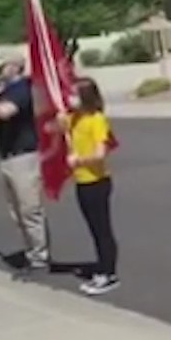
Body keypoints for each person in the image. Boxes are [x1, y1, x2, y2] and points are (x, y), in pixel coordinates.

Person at [0, 56, 51, 273]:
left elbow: (7, 112)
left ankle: (40, 254)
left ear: (14, 67)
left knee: (29, 207)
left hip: (24, 156)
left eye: (2, 65)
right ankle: (31, 251)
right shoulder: (5, 91)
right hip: (7, 156)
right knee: (16, 210)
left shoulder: (22, 89)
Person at [65, 77, 121, 296]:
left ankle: (109, 273)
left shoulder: (97, 120)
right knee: (93, 228)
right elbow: (52, 127)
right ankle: (101, 268)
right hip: (81, 182)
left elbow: (100, 153)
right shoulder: (74, 118)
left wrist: (79, 161)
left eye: (74, 94)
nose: (70, 98)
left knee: (102, 229)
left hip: (97, 182)